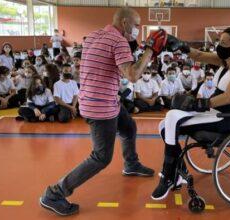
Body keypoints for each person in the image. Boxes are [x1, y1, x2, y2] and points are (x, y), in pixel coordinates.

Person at [40, 7, 164, 216]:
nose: (138, 29)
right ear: (124, 23)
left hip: (98, 99)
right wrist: (150, 50)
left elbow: (106, 65)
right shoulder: (118, 41)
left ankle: (131, 163)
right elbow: (133, 75)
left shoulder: (95, 35)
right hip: (101, 107)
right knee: (101, 157)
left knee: (128, 127)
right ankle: (54, 193)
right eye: (136, 25)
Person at [151, 26, 230, 200]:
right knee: (164, 126)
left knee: (171, 117)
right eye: (219, 41)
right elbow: (198, 55)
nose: (218, 46)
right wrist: (180, 45)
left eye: (223, 43)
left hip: (225, 117)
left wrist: (201, 103)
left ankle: (170, 176)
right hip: (213, 111)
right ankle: (179, 170)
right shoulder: (227, 61)